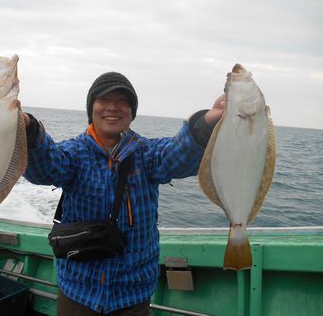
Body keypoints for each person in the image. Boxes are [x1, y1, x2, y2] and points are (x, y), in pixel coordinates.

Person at [21, 72, 225, 315]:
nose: (112, 108)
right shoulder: (73, 154)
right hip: (77, 291)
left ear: (131, 111)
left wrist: (206, 123)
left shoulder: (147, 154)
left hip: (132, 295)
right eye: (103, 100)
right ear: (91, 108)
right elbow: (45, 166)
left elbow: (178, 155)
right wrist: (29, 128)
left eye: (122, 101)